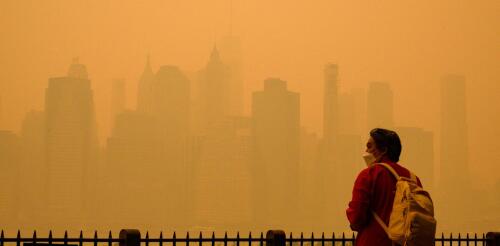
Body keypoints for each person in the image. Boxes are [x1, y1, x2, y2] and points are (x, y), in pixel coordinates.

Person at [346, 128, 422, 246]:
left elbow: (356, 217)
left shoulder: (368, 175)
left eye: (370, 146)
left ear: (384, 150)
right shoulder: (413, 179)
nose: (366, 150)